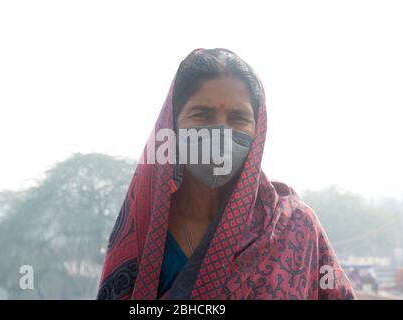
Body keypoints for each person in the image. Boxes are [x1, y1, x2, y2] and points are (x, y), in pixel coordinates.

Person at [96, 48, 356, 300]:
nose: (221, 132)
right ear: (172, 125)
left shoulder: (296, 226)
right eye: (203, 114)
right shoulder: (143, 228)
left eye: (238, 117)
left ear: (258, 129)